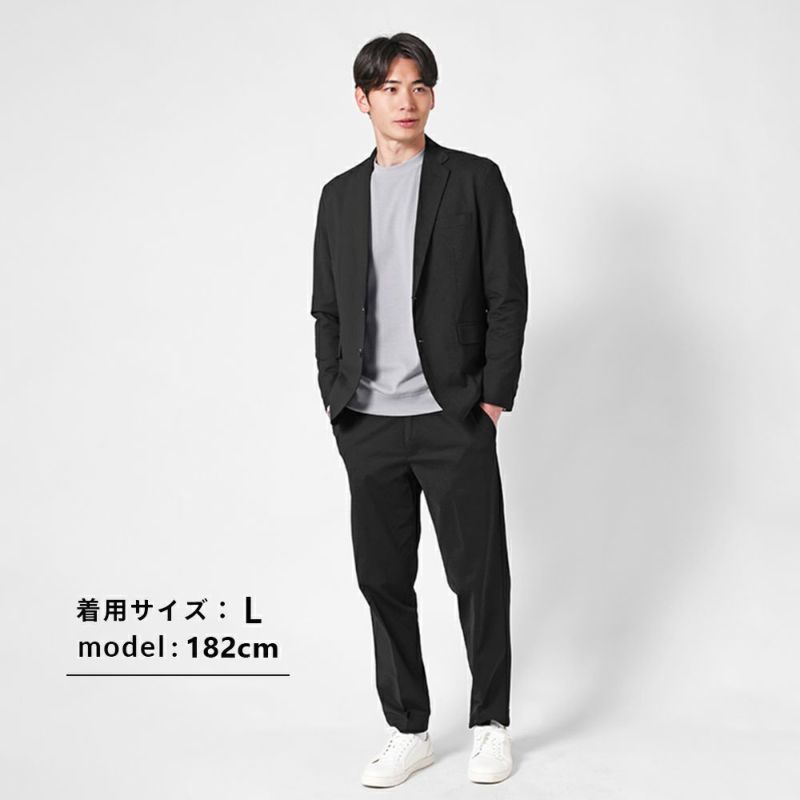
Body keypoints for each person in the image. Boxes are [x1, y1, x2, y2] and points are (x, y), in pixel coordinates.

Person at [310, 32, 528, 787]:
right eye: (390, 88)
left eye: (419, 86)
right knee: (382, 579)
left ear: (432, 96)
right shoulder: (339, 196)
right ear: (363, 99)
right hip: (367, 421)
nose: (407, 101)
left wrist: (490, 397)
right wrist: (336, 400)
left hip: (452, 415)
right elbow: (327, 309)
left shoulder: (473, 180)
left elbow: (507, 294)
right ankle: (408, 729)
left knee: (478, 577)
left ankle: (491, 724)